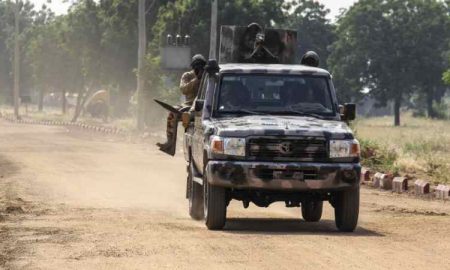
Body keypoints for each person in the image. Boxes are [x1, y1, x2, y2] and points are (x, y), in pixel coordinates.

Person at [157, 54, 207, 155]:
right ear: (193, 67)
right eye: (196, 67)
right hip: (188, 105)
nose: (198, 69)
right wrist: (196, 80)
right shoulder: (187, 76)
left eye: (200, 67)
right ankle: (170, 143)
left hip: (203, 104)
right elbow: (183, 89)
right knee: (172, 112)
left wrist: (203, 77)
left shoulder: (207, 76)